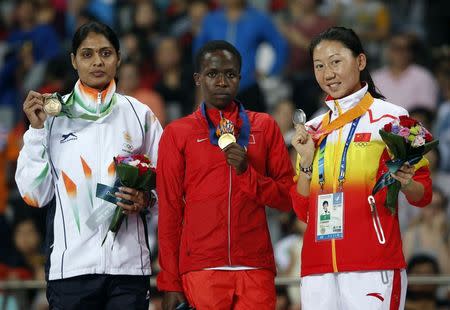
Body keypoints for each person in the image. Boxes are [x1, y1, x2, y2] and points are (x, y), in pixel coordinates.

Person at [15, 21, 163, 309]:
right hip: (71, 271)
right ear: (73, 60)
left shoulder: (140, 115)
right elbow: (35, 195)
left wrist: (148, 199)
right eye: (87, 54)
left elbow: (171, 185)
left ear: (118, 58)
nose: (97, 61)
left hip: (129, 269)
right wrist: (35, 133)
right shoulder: (52, 117)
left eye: (106, 53)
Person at [290, 27, 432, 310]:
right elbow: (302, 209)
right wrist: (306, 162)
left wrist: (406, 182)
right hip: (317, 269)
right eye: (319, 66)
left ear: (361, 62)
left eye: (335, 61)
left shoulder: (394, 118)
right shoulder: (313, 129)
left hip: (372, 263)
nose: (327, 73)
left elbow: (423, 193)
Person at [157, 40, 294, 309]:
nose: (221, 81)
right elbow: (170, 210)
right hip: (202, 267)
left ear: (240, 78)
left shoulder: (264, 127)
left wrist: (247, 173)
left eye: (230, 74)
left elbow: (287, 198)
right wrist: (170, 281)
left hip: (255, 265)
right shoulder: (177, 133)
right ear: (198, 78)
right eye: (212, 74)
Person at [193, 0, 288, 112]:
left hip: (247, 87)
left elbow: (280, 46)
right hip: (215, 88)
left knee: (251, 127)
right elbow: (199, 52)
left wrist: (269, 72)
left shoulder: (258, 18)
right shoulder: (211, 20)